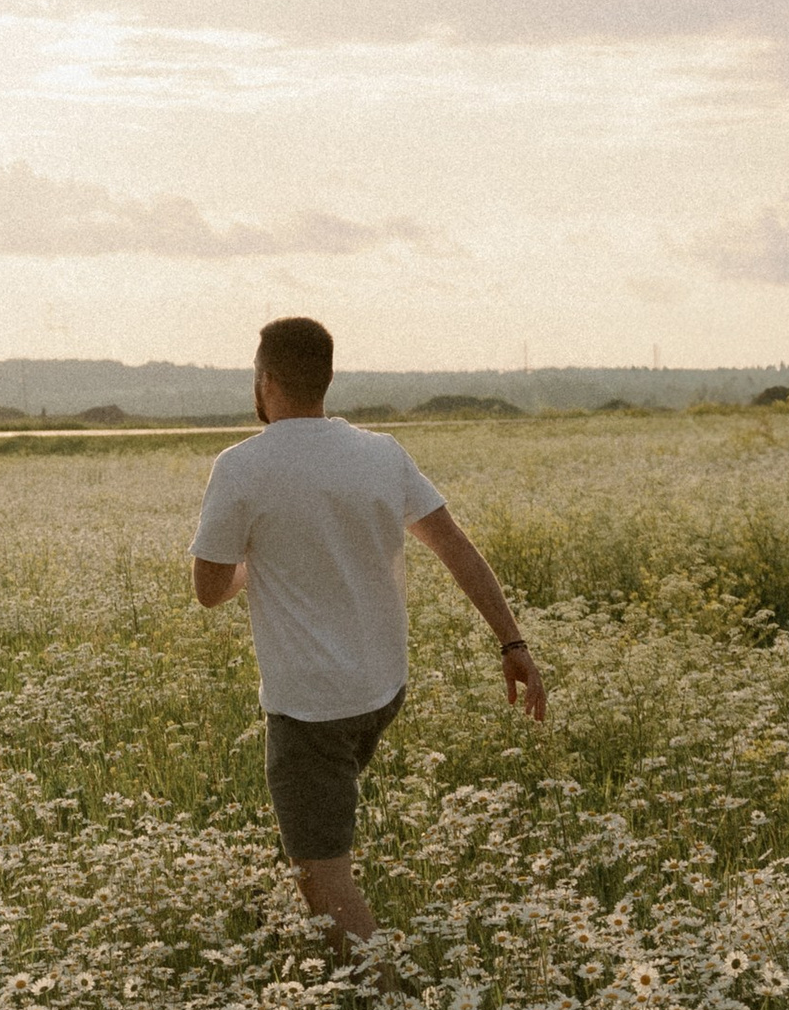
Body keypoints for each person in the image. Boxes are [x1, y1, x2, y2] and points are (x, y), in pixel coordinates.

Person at [190, 314, 544, 955]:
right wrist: (512, 644)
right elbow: (455, 548)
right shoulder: (382, 454)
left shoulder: (240, 467)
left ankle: (387, 1004)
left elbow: (209, 591)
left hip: (310, 709)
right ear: (327, 378)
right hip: (382, 691)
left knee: (320, 876)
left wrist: (253, 565)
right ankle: (340, 943)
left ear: (264, 381)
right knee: (325, 832)